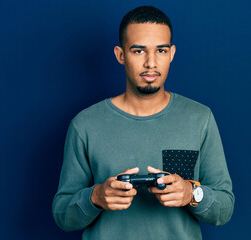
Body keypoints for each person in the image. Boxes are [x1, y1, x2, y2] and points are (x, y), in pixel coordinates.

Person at [52, 6, 234, 240]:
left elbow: (225, 208)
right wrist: (96, 197)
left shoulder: (200, 118)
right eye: (138, 51)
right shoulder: (85, 124)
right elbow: (62, 215)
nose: (151, 62)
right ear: (120, 55)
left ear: (172, 54)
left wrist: (191, 193)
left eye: (160, 50)